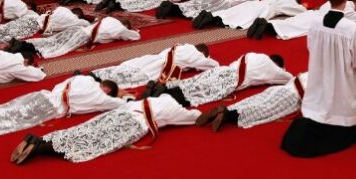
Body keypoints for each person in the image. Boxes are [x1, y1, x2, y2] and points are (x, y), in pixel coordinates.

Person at [282, 0, 356, 157]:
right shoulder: (351, 28)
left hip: (320, 73)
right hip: (344, 78)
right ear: (346, 0)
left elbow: (311, 47)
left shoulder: (315, 24)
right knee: (342, 103)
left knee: (321, 102)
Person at [9, 94, 200, 165]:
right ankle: (39, 149)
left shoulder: (157, 98)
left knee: (79, 132)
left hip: (118, 114)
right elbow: (194, 118)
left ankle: (37, 140)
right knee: (92, 144)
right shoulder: (176, 108)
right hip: (133, 124)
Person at [0, 74, 131, 141]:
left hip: (41, 95)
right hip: (48, 109)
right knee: (5, 119)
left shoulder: (82, 79)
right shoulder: (103, 97)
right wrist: (124, 95)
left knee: (1, 109)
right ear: (107, 90)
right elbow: (122, 104)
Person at [147, 52, 292, 107]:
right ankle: (164, 98)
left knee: (193, 82)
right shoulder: (272, 68)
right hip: (231, 81)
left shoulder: (253, 55)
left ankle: (161, 87)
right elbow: (288, 78)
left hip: (223, 70)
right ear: (277, 65)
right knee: (198, 92)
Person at [198, 73, 308, 132]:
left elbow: (292, 79)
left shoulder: (308, 73)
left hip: (279, 89)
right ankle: (226, 116)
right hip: (291, 97)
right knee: (262, 110)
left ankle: (224, 109)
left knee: (252, 101)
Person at [91, 44, 219, 88]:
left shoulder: (182, 46)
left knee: (125, 68)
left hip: (149, 59)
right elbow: (212, 65)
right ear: (201, 53)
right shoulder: (195, 55)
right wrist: (207, 59)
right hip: (157, 66)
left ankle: (96, 74)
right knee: (132, 76)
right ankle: (100, 81)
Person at [0, 5, 92, 46]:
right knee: (7, 34)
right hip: (33, 25)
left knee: (4, 28)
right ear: (77, 15)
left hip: (31, 18)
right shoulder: (74, 19)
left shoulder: (60, 9)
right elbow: (85, 24)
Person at [13, 16, 141, 58]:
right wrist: (133, 30)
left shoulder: (109, 19)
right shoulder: (120, 28)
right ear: (125, 25)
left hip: (77, 30)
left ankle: (20, 44)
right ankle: (23, 48)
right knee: (56, 48)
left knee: (50, 41)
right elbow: (134, 37)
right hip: (82, 36)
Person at [250, 0, 356, 41]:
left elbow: (318, 8)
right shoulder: (347, 8)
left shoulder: (333, 1)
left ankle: (266, 23)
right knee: (291, 28)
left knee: (290, 22)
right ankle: (265, 26)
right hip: (318, 21)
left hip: (312, 15)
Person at [194, 0, 304, 30]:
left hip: (255, 4)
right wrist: (304, 6)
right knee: (241, 18)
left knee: (233, 12)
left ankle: (211, 16)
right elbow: (299, 10)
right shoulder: (288, 1)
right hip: (264, 9)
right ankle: (212, 19)